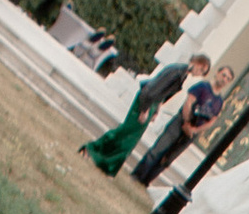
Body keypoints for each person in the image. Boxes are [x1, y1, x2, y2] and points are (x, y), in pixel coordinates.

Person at [82, 48, 206, 181]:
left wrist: (156, 109)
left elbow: (162, 93)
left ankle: (102, 159)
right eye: (202, 70)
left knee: (128, 136)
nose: (200, 74)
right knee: (127, 135)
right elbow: (153, 89)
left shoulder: (181, 73)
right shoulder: (176, 71)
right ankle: (99, 155)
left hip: (151, 103)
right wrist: (145, 109)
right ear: (198, 63)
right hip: (145, 101)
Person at [132, 57, 231, 189]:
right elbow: (188, 103)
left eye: (228, 79)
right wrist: (187, 123)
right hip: (180, 123)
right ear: (217, 73)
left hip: (191, 133)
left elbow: (213, 120)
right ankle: (138, 175)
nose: (224, 79)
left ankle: (146, 181)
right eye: (223, 75)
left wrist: (194, 131)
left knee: (168, 159)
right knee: (158, 149)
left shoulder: (219, 101)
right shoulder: (202, 87)